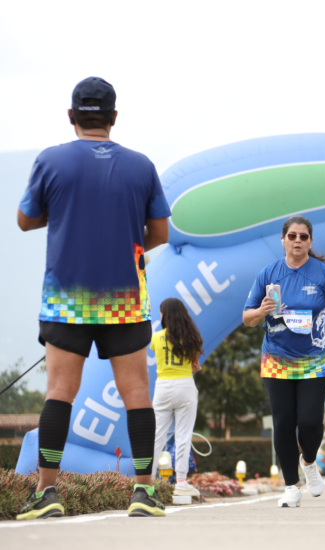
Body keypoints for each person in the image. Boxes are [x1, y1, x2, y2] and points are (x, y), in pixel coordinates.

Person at [16, 77, 171, 520]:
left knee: (60, 392)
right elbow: (159, 232)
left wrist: (66, 215)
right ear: (114, 118)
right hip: (125, 298)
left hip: (66, 300)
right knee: (137, 393)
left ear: (71, 116)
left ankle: (48, 493)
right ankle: (144, 491)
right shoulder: (141, 165)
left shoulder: (51, 160)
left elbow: (25, 220)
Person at [243, 215, 325, 509]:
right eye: (292, 236)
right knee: (283, 423)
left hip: (315, 360)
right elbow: (247, 318)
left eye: (303, 237)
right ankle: (291, 487)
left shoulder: (324, 275)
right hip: (276, 361)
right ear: (283, 240)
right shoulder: (268, 274)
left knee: (309, 423)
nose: (297, 241)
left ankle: (309, 461)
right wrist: (261, 310)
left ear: (310, 241)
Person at [150, 298, 203, 498]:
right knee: (183, 436)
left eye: (161, 312)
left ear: (165, 315)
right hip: (185, 387)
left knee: (156, 437)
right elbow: (195, 367)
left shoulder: (156, 338)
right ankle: (181, 481)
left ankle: (149, 481)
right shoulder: (193, 338)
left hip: (162, 387)